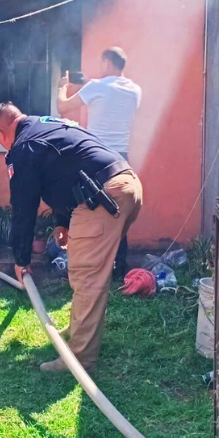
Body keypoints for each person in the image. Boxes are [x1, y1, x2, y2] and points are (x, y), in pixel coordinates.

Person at [0, 101, 144, 373]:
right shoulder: (48, 125)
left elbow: (23, 208)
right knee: (87, 271)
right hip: (126, 184)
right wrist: (63, 222)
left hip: (103, 196)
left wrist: (21, 259)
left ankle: (80, 360)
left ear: (1, 133)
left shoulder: (23, 147)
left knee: (87, 275)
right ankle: (78, 330)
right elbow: (69, 170)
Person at [57, 46, 142, 278]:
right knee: (118, 212)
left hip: (94, 157)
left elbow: (62, 107)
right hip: (121, 161)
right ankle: (118, 268)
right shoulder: (135, 90)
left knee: (85, 208)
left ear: (107, 62)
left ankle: (86, 265)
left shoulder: (96, 86)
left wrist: (62, 87)